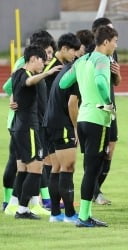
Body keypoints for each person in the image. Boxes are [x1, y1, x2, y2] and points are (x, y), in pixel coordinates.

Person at [59, 25, 118, 227]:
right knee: (92, 169)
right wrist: (107, 104)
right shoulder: (102, 59)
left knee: (89, 167)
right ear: (105, 42)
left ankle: (86, 215)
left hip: (83, 118)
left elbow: (63, 83)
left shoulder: (82, 60)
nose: (116, 46)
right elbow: (102, 83)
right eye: (115, 41)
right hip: (97, 119)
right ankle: (84, 217)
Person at [43, 31, 91, 223]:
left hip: (50, 122)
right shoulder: (74, 71)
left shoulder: (65, 68)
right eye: (73, 50)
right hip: (62, 124)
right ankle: (70, 214)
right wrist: (76, 128)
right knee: (67, 167)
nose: (75, 54)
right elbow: (72, 103)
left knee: (56, 167)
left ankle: (56, 213)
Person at [11, 45, 62, 219]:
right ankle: (23, 209)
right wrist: (47, 74)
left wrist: (13, 100)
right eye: (42, 60)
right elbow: (28, 82)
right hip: (28, 128)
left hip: (19, 127)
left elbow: (14, 90)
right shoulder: (26, 75)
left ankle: (19, 206)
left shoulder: (16, 72)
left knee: (24, 168)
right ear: (33, 59)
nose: (44, 64)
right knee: (36, 167)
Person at [90, 17, 122, 205]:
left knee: (110, 148)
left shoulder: (112, 53)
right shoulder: (90, 55)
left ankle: (96, 189)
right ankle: (93, 192)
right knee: (96, 152)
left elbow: (115, 82)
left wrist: (117, 73)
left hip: (111, 106)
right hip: (97, 108)